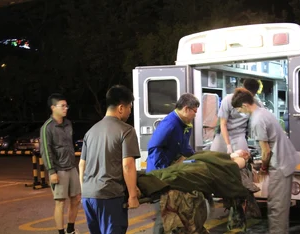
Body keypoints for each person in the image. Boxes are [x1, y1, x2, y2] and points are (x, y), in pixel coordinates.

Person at [231, 87, 299, 234]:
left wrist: (262, 168)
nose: (240, 113)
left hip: (280, 164)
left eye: (239, 110)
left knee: (277, 208)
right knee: (279, 206)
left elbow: (266, 152)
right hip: (285, 160)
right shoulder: (264, 112)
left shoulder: (256, 120)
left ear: (244, 105)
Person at [78, 85, 140, 234]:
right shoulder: (126, 130)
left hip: (88, 196)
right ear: (120, 108)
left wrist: (85, 191)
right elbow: (127, 165)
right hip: (110, 196)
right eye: (129, 107)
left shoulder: (90, 132)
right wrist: (132, 195)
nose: (130, 112)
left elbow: (82, 165)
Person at [146, 93, 200, 234]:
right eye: (195, 111)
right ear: (187, 109)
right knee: (163, 213)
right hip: (160, 174)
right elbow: (154, 147)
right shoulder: (170, 123)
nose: (195, 115)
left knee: (175, 210)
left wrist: (197, 157)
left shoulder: (184, 124)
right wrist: (164, 170)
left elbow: (183, 146)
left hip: (170, 171)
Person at [40, 93, 81, 234]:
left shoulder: (68, 124)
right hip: (59, 169)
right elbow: (46, 150)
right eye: (62, 106)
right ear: (53, 107)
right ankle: (61, 232)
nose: (66, 108)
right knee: (60, 202)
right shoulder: (47, 127)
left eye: (66, 106)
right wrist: (51, 172)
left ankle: (71, 229)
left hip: (71, 166)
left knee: (76, 199)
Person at [210, 78, 262, 154]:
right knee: (215, 157)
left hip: (240, 134)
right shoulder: (228, 100)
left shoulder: (256, 104)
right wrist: (228, 145)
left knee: (242, 158)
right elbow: (223, 124)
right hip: (223, 133)